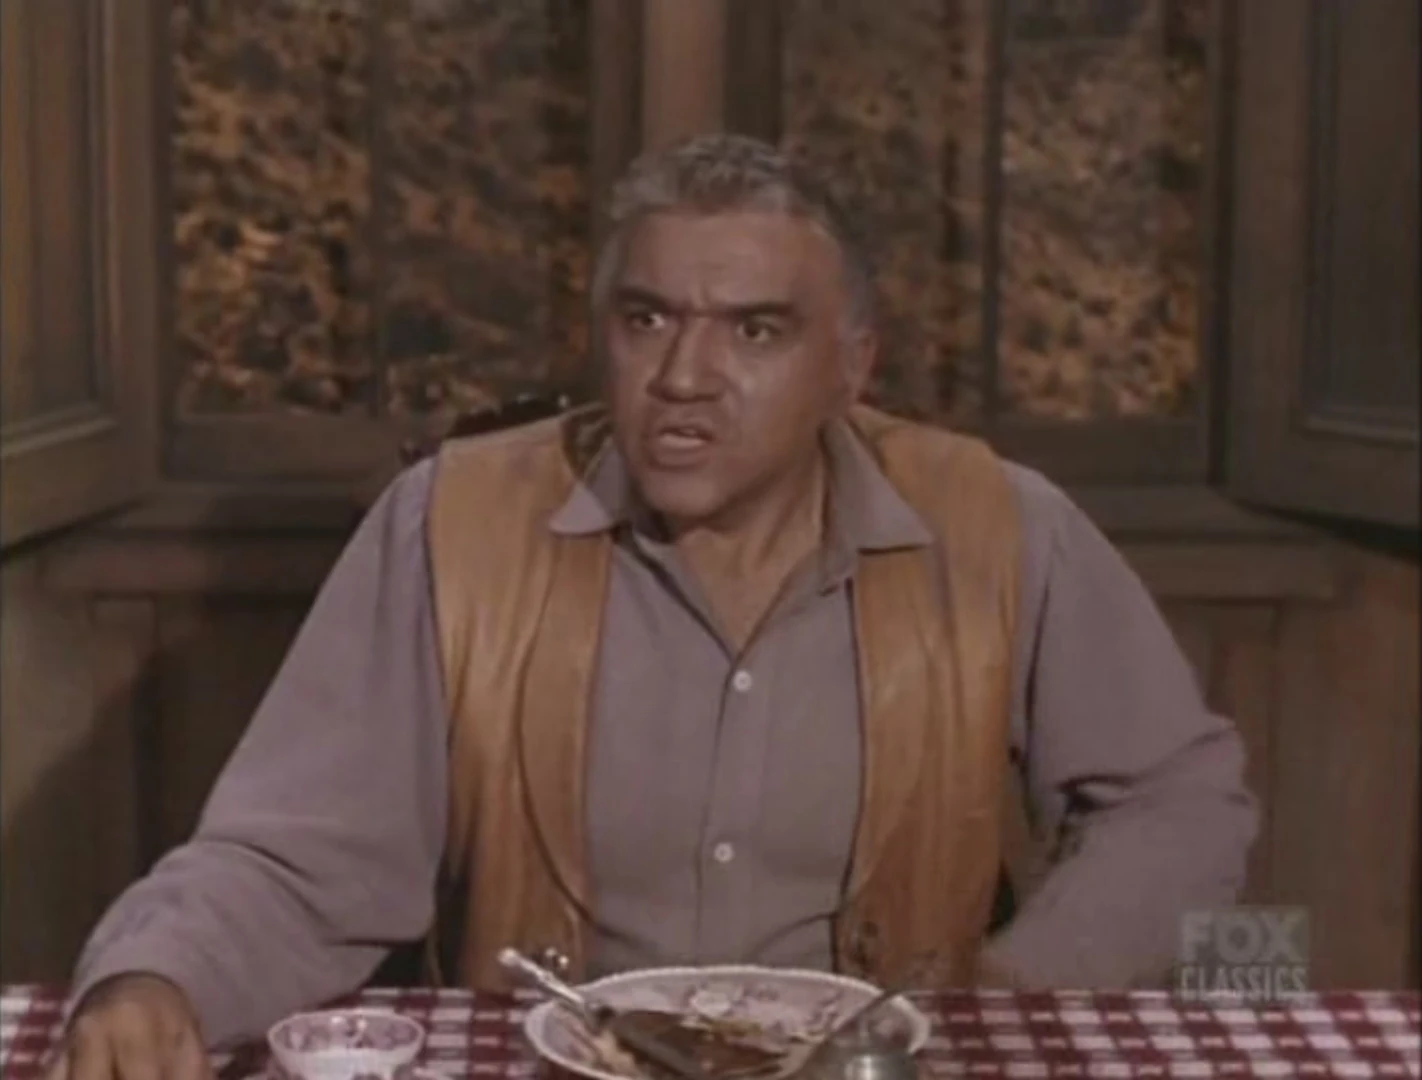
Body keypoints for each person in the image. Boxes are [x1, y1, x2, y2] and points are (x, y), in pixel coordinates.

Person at [47, 134, 1255, 1080]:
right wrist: (159, 977)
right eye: (647, 321)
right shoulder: (448, 526)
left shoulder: (1000, 527)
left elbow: (1182, 801)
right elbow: (297, 855)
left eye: (755, 331)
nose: (683, 377)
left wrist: (1014, 989)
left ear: (853, 366)